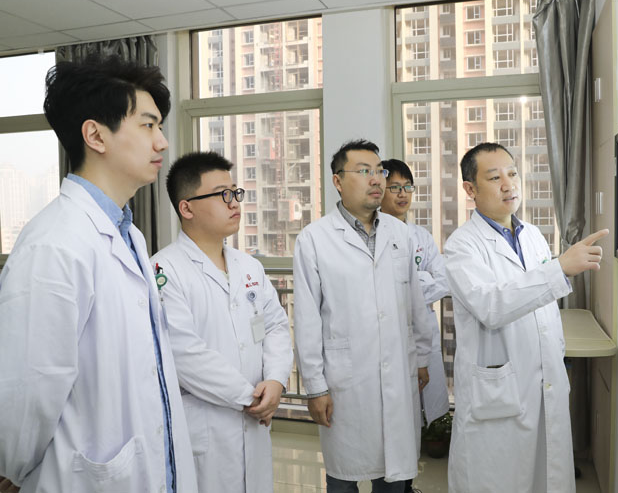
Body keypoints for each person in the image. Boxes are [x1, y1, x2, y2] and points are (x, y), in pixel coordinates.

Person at [0, 55, 197, 492]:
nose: (163, 142)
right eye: (148, 126)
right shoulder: (54, 244)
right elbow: (27, 391)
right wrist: (13, 467)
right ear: (95, 135)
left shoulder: (130, 236)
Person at [444, 143, 608, 493]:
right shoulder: (462, 246)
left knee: (546, 477)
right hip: (499, 391)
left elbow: (541, 307)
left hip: (543, 379)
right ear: (470, 189)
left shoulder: (532, 235)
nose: (508, 184)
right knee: (499, 480)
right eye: (494, 177)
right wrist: (560, 268)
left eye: (512, 173)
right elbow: (491, 306)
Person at [293, 140, 433, 493]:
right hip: (346, 382)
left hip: (398, 371)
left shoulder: (400, 234)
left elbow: (415, 305)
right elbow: (308, 320)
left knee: (394, 476)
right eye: (364, 171)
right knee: (344, 476)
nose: (376, 179)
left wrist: (420, 359)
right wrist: (315, 387)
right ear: (338, 181)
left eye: (379, 171)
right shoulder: (315, 239)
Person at [151, 151, 293, 493]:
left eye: (235, 192)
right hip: (207, 426)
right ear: (187, 208)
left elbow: (275, 326)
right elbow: (185, 354)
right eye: (222, 194)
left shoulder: (249, 266)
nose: (234, 203)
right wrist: (250, 398)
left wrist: (275, 380)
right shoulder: (163, 271)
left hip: (255, 419)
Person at [379, 159, 450, 493]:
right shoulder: (375, 236)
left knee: (414, 418)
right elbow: (382, 291)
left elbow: (443, 281)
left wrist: (411, 285)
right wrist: (420, 282)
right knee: (392, 419)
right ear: (379, 191)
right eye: (394, 187)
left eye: (407, 187)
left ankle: (406, 485)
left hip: (420, 336)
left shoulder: (421, 236)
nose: (402, 194)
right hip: (389, 339)